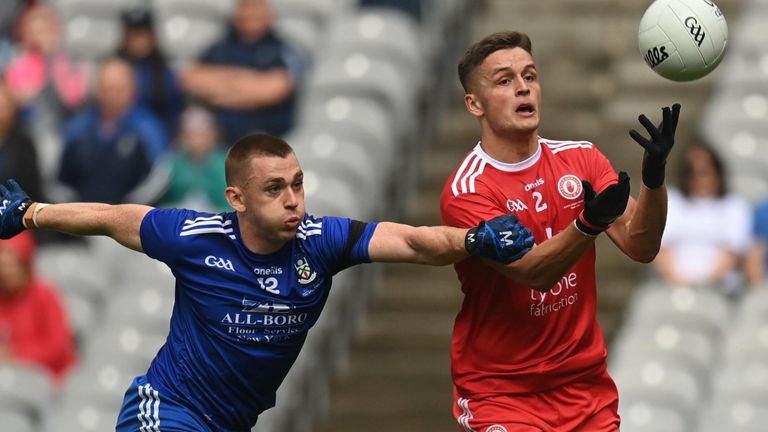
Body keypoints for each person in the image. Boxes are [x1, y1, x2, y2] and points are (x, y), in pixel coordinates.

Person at [0, 133, 535, 431]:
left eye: (298, 184)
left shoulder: (322, 242)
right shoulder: (193, 235)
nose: (293, 200)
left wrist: (473, 240)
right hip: (166, 411)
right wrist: (30, 213)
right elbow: (112, 217)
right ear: (236, 199)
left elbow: (415, 241)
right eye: (274, 188)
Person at [439, 31, 680, 431]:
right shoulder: (468, 190)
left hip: (584, 388)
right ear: (474, 104)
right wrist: (588, 224)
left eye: (530, 76)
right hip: (502, 393)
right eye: (504, 81)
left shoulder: (581, 158)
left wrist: (654, 181)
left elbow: (642, 245)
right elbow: (532, 271)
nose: (523, 88)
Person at [181, 0, 304, 142]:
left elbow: (274, 89)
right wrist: (249, 82)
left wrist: (220, 90)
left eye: (256, 8)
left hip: (271, 142)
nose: (250, 14)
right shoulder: (220, 48)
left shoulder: (282, 49)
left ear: (269, 14)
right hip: (222, 142)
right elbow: (191, 80)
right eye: (246, 7)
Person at [59, 57, 169, 204]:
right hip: (81, 217)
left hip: (132, 218)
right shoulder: (77, 128)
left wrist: (128, 209)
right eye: (106, 88)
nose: (112, 96)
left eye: (119, 89)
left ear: (133, 90)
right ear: (97, 90)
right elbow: (58, 180)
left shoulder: (149, 129)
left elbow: (160, 176)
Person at [654, 142, 752, 293]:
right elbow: (661, 250)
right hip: (672, 287)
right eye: (691, 173)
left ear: (718, 173)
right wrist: (679, 284)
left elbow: (733, 254)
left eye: (705, 172)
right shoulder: (671, 201)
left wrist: (703, 286)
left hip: (720, 290)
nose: (698, 179)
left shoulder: (735, 206)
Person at [0, 231, 77, 386]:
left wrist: (15, 355)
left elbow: (58, 347)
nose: (8, 273)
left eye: (14, 266)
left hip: (49, 382)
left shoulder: (45, 295)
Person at [117, 6, 184, 136]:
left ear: (152, 37)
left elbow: (173, 116)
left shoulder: (165, 74)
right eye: (133, 35)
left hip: (154, 137)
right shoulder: (114, 70)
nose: (138, 41)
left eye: (142, 35)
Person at [159, 105, 230, 212]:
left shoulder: (226, 163)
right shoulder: (172, 161)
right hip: (179, 218)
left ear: (214, 135)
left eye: (201, 134)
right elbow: (155, 194)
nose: (197, 141)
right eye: (191, 134)